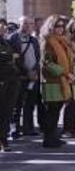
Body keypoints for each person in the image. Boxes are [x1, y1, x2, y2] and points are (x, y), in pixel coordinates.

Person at [39, 14, 75, 148]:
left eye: (62, 26)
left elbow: (70, 60)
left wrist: (71, 73)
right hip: (52, 82)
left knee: (56, 111)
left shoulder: (64, 41)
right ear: (51, 26)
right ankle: (49, 139)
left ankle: (53, 137)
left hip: (63, 81)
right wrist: (66, 74)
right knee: (52, 111)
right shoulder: (48, 42)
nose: (60, 28)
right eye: (57, 26)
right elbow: (47, 64)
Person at [10, 16, 41, 138]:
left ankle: (28, 128)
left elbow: (38, 57)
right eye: (25, 23)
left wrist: (35, 71)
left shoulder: (34, 40)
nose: (28, 26)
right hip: (19, 76)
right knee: (16, 105)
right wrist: (26, 71)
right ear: (20, 24)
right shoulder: (13, 38)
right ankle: (15, 129)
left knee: (30, 104)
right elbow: (13, 59)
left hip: (33, 76)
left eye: (30, 24)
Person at [0, 19, 22, 152]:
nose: (2, 27)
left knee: (8, 111)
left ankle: (3, 138)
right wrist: (10, 56)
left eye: (3, 25)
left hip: (12, 79)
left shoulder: (7, 42)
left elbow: (17, 56)